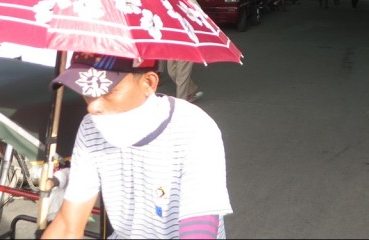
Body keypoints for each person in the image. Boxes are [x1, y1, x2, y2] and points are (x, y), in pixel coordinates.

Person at [43, 52, 233, 239]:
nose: (92, 106)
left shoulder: (194, 128)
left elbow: (199, 231)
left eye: (107, 91)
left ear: (149, 83)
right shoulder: (90, 127)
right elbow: (69, 226)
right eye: (85, 91)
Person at [169, 0, 204, 103]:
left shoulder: (191, 2)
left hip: (187, 42)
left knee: (181, 77)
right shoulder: (168, 1)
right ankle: (192, 89)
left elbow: (201, 20)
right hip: (173, 41)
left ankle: (181, 104)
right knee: (172, 72)